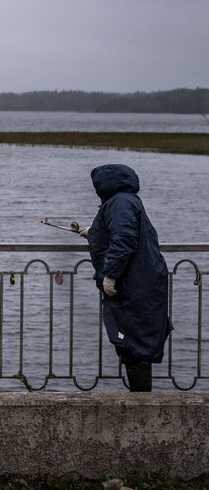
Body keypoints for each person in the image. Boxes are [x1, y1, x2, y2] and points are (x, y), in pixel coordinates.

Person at [80, 164, 172, 391]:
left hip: (133, 287)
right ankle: (141, 403)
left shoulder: (119, 203)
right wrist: (95, 231)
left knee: (135, 348)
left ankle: (141, 407)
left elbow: (124, 240)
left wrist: (110, 275)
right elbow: (122, 231)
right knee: (136, 344)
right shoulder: (126, 201)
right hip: (142, 283)